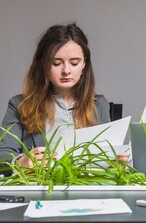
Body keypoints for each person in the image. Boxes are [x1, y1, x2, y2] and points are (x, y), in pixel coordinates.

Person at [0, 23, 111, 175]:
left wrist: (116, 161)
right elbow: (3, 157)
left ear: (84, 64)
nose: (66, 70)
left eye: (74, 63)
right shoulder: (19, 105)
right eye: (56, 63)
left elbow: (107, 157)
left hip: (87, 193)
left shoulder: (99, 105)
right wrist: (21, 162)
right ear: (43, 64)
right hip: (39, 191)